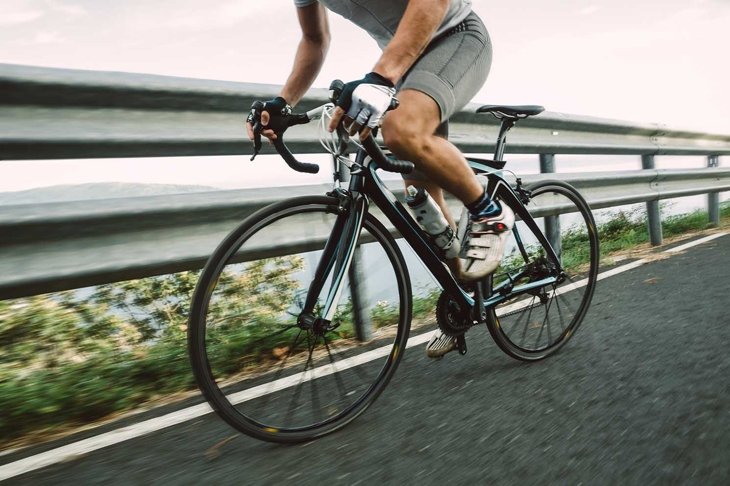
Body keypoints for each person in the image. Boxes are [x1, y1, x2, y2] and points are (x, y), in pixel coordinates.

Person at [246, 0, 514, 358]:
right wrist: (283, 102)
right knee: (421, 198)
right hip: (407, 59)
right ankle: (463, 300)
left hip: (455, 35)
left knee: (400, 131)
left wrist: (381, 78)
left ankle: (489, 212)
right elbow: (314, 38)